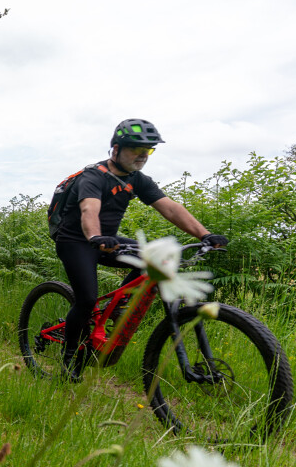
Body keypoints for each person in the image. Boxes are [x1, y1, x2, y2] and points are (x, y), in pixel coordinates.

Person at [48, 119, 228, 380]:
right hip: (76, 240)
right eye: (136, 149)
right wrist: (96, 236)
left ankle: (120, 304)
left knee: (162, 256)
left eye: (149, 150)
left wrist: (205, 234)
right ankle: (69, 358)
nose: (143, 155)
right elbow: (90, 209)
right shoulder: (93, 176)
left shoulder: (138, 180)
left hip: (107, 240)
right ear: (116, 148)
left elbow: (170, 207)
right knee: (86, 300)